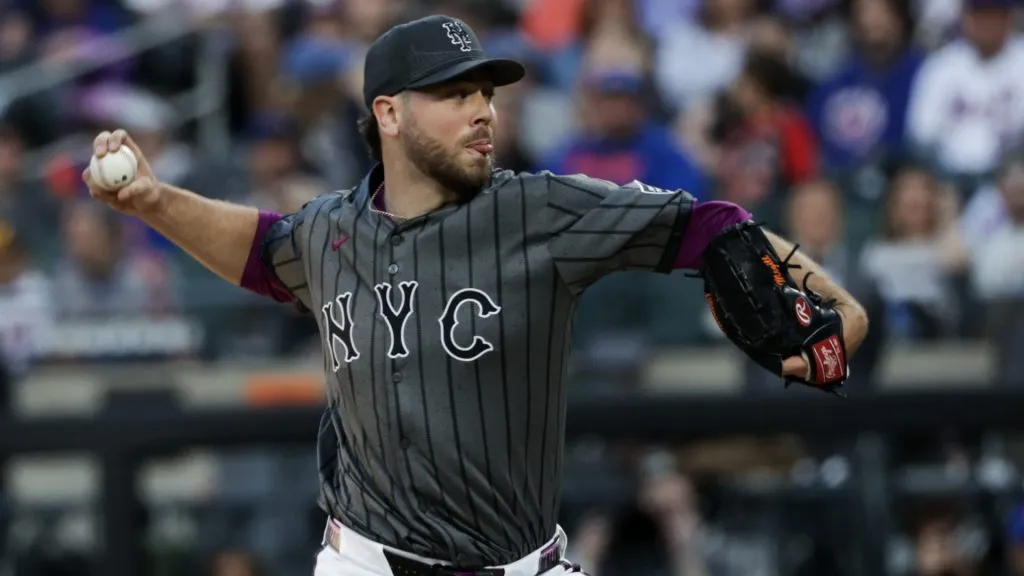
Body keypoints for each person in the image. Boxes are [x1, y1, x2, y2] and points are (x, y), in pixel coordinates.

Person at [82, 15, 868, 576]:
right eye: (454, 93)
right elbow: (261, 252)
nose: (483, 110)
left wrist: (841, 304)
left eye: (486, 92)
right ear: (388, 113)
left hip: (519, 561)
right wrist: (154, 201)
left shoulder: (540, 210)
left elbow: (713, 226)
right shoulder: (328, 232)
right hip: (366, 560)